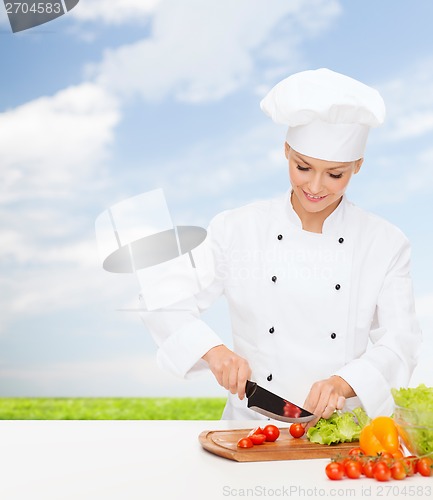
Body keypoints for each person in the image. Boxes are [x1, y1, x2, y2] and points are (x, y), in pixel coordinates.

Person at [140, 68, 422, 423]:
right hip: (252, 428)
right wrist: (213, 351)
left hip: (339, 432)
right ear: (286, 150)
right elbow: (161, 297)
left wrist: (345, 382)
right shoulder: (238, 229)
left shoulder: (384, 243)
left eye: (335, 174)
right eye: (303, 167)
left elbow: (401, 341)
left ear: (358, 166)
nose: (316, 186)